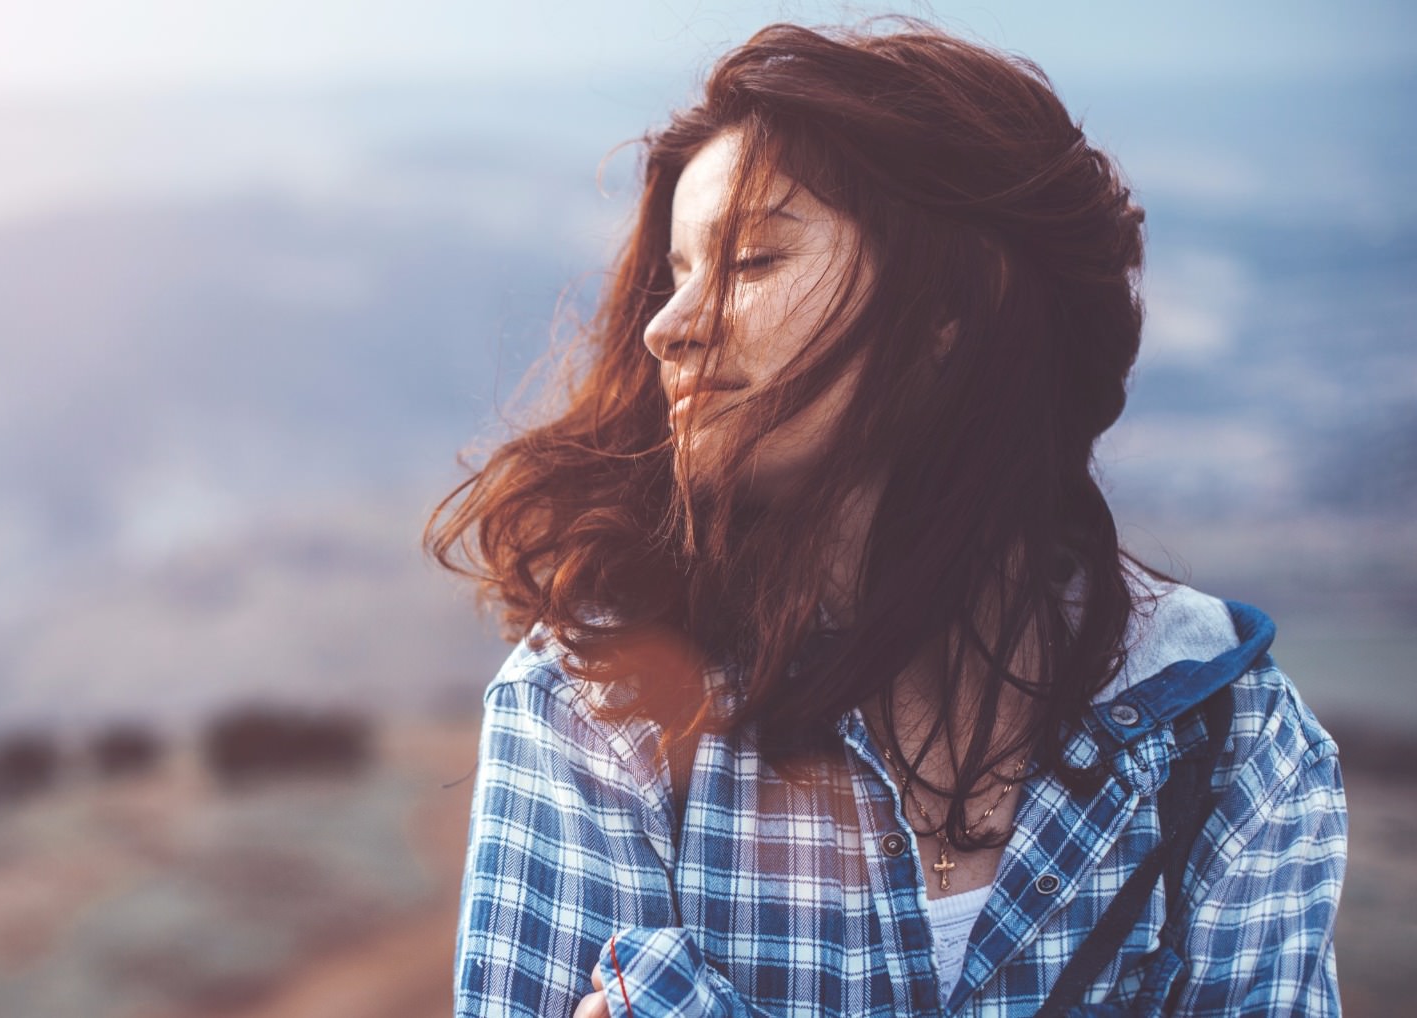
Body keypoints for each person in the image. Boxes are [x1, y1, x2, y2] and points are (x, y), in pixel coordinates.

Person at [427, 20, 1347, 1017]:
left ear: (955, 304)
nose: (666, 327)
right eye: (678, 273)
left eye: (750, 261)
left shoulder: (1226, 737)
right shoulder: (594, 707)